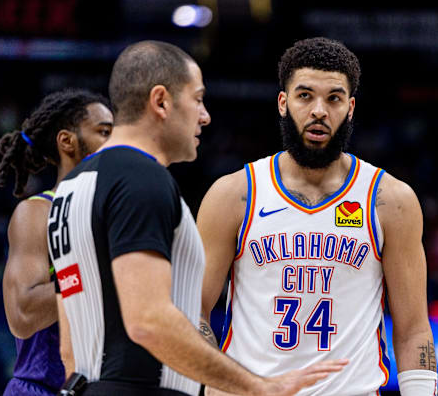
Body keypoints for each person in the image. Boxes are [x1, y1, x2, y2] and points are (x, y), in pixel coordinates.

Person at [48, 40, 347, 396]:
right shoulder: (141, 178)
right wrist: (257, 386)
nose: (204, 116)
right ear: (161, 101)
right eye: (198, 99)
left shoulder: (71, 188)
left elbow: (68, 346)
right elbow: (149, 321)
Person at [198, 37, 438, 396]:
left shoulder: (391, 200)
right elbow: (193, 311)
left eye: (334, 98)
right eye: (305, 95)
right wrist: (218, 382)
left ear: (351, 107)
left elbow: (414, 329)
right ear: (283, 102)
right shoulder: (234, 194)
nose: (319, 111)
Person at [0, 88, 114, 396]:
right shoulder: (36, 214)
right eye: (104, 132)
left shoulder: (122, 218)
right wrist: (91, 272)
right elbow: (22, 314)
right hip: (42, 388)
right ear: (67, 141)